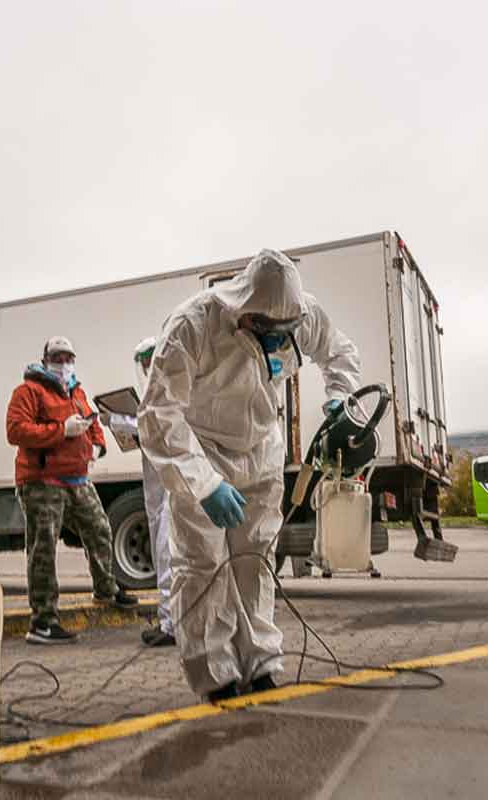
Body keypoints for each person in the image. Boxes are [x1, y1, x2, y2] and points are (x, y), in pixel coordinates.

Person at [139, 249, 360, 701]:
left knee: (255, 561)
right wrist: (203, 483)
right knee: (203, 565)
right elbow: (159, 415)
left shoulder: (304, 315)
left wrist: (341, 396)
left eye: (283, 333)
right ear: (244, 312)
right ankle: (214, 674)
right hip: (204, 451)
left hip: (261, 451)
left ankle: (260, 661)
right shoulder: (193, 325)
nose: (275, 341)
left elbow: (339, 352)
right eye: (264, 330)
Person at [6, 335, 137, 645]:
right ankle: (43, 621)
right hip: (42, 481)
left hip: (77, 479)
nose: (64, 363)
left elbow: (91, 423)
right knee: (43, 549)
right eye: (58, 357)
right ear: (46, 359)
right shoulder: (28, 391)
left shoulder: (76, 390)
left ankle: (106, 589)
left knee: (100, 529)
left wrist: (98, 447)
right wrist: (61, 431)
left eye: (68, 357)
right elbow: (16, 430)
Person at [106, 337, 176, 647]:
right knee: (166, 555)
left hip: (173, 492)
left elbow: (156, 427)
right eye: (144, 361)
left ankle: (172, 625)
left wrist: (120, 421)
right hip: (161, 491)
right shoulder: (156, 392)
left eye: (150, 359)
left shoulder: (169, 389)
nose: (147, 365)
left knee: (169, 554)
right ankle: (172, 621)